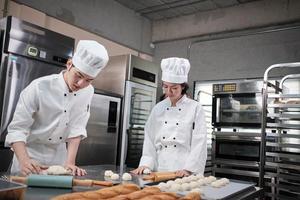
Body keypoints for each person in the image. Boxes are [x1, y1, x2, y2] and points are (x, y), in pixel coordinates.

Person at [5, 40, 109, 176]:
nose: (81, 84)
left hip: (59, 160)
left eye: (89, 80)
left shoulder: (88, 91)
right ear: (69, 64)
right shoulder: (39, 87)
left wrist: (70, 163)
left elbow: (77, 127)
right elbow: (17, 129)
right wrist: (24, 161)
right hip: (29, 156)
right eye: (79, 75)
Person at [131, 57, 207, 177]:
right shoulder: (158, 108)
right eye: (165, 87)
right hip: (160, 167)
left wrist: (189, 169)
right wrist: (146, 164)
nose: (169, 92)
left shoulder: (195, 108)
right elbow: (149, 138)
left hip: (184, 168)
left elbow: (199, 141)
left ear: (183, 87)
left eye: (174, 88)